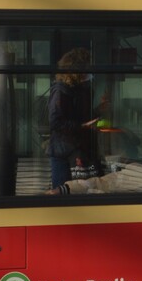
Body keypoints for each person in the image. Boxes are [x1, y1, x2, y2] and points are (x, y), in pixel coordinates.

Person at [48, 47, 108, 189]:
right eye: (87, 69)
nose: (90, 73)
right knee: (64, 191)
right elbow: (55, 122)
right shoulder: (61, 90)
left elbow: (81, 116)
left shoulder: (83, 89)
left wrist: (99, 109)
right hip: (64, 152)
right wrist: (82, 126)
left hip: (81, 148)